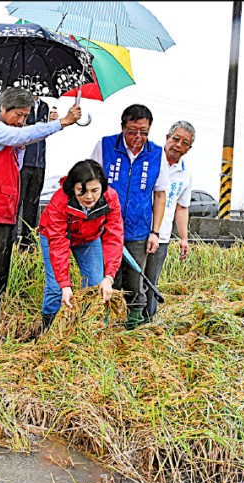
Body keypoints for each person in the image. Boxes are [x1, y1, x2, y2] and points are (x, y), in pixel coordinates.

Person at [0, 86, 81, 348]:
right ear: (3, 108)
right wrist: (61, 123)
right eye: (19, 114)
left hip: (2, 215)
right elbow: (22, 134)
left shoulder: (9, 136)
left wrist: (26, 139)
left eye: (26, 116)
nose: (22, 121)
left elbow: (21, 141)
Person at [90, 104, 169, 329]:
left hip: (139, 229)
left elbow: (160, 194)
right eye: (132, 131)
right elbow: (91, 183)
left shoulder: (155, 153)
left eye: (143, 132)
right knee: (107, 277)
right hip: (106, 228)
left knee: (136, 280)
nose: (138, 137)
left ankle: (133, 326)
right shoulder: (105, 146)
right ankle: (103, 323)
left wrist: (155, 232)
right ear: (122, 127)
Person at [37, 159, 124, 331]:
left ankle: (86, 328)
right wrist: (65, 285)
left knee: (95, 283)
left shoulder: (110, 198)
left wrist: (109, 276)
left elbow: (114, 236)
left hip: (89, 238)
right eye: (81, 191)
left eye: (94, 190)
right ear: (73, 187)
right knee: (55, 288)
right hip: (54, 236)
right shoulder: (60, 201)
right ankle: (49, 331)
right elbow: (58, 243)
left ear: (102, 187)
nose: (89, 196)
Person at [143, 121, 195, 321]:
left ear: (188, 149)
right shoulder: (150, 160)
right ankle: (126, 320)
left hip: (162, 236)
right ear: (167, 138)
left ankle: (147, 323)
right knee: (130, 280)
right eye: (175, 139)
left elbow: (181, 207)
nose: (178, 145)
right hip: (139, 230)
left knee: (151, 281)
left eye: (184, 142)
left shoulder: (185, 173)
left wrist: (183, 238)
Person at [14, 93, 50, 251]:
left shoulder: (45, 106)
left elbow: (45, 132)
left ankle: (28, 240)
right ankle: (12, 238)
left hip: (39, 162)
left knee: (33, 203)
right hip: (23, 161)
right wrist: (36, 127)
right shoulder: (20, 104)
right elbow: (17, 129)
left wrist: (52, 123)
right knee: (17, 201)